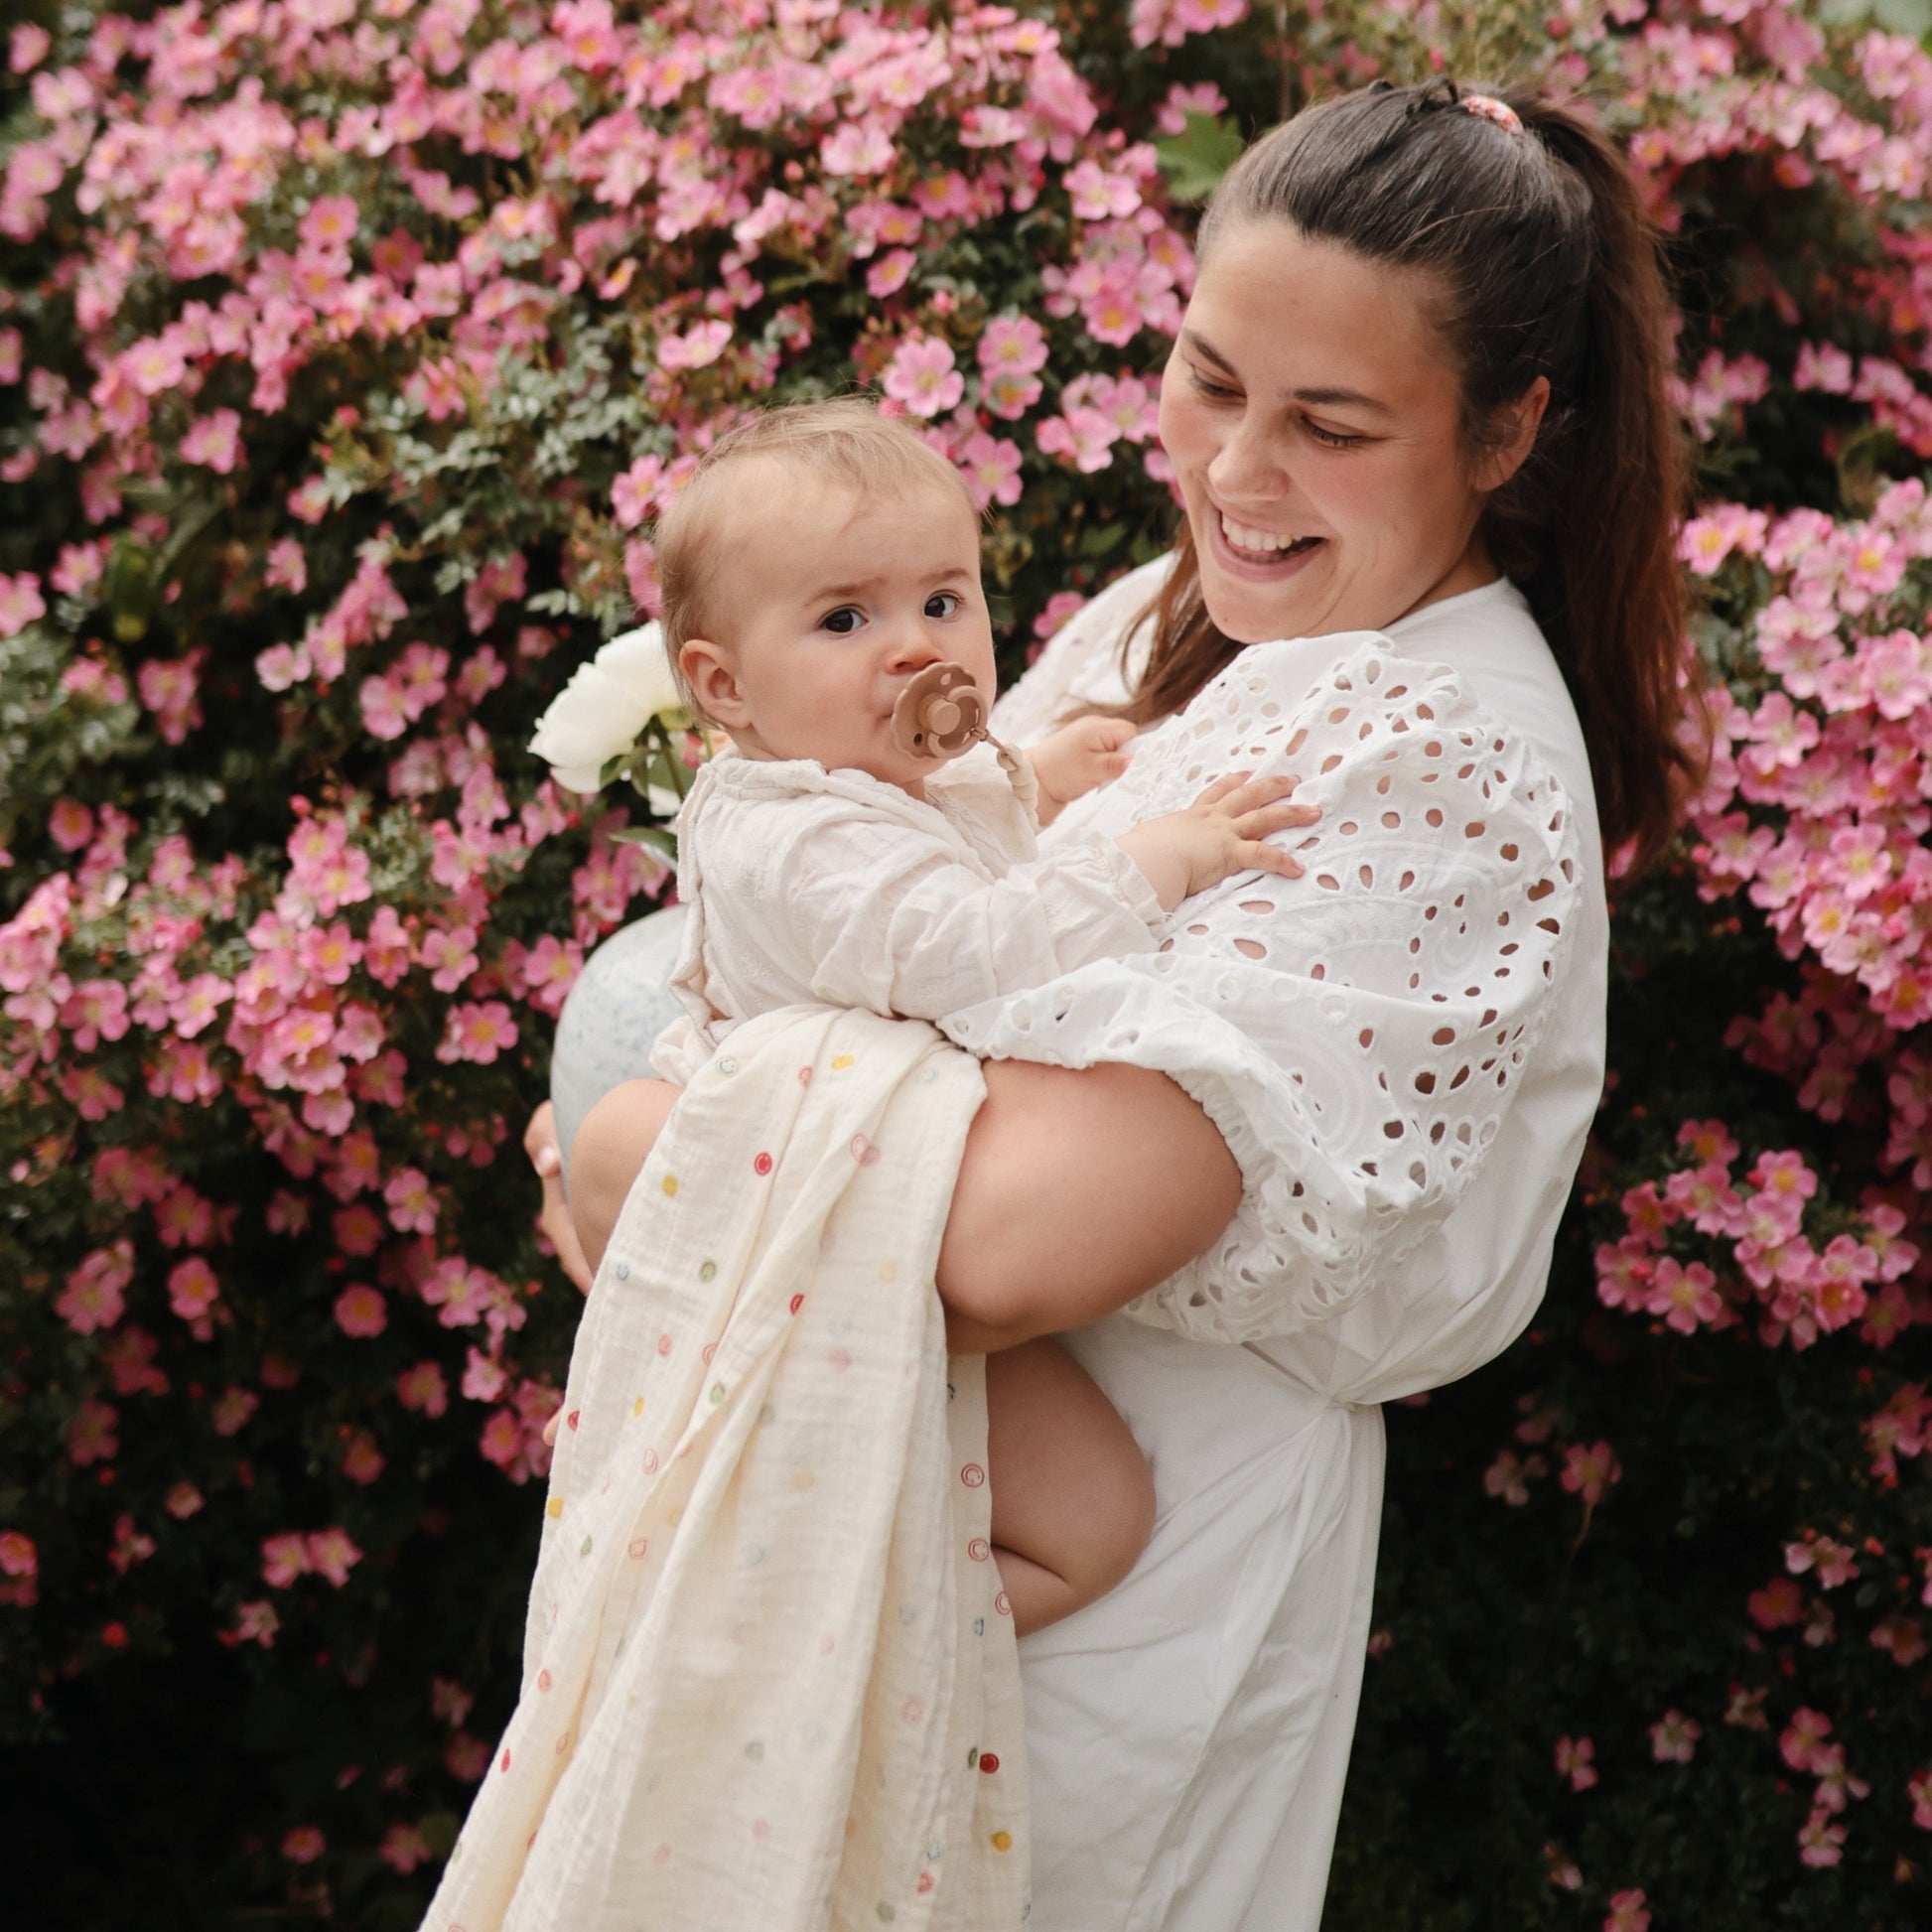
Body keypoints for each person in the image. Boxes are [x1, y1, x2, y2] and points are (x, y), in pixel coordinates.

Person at [537, 77, 1699, 1931]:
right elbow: (899, 928)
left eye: (1330, 425)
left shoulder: (1435, 751)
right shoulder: (1193, 611)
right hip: (910, 1463)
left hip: (1123, 1570)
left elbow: (1013, 1243)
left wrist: (653, 1153)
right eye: (1210, 379)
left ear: (1503, 432)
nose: (1237, 472)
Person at [589, 398, 1316, 1634]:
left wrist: (1036, 773)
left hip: (886, 1214)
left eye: (941, 600)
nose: (911, 648)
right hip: (810, 1234)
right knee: (1088, 1529)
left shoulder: (861, 773)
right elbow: (963, 947)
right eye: (844, 618)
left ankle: (854, 1610)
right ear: (722, 686)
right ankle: (821, 1629)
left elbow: (934, 819)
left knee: (1090, 1518)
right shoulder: (788, 840)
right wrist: (1157, 860)